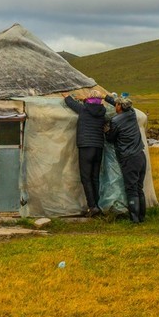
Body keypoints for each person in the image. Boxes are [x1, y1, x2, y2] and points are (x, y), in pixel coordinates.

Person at [64, 94, 109, 217]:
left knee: (86, 178)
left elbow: (69, 101)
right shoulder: (103, 114)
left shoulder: (83, 109)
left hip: (86, 147)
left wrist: (67, 95)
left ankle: (92, 206)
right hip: (98, 147)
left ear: (87, 101)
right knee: (95, 177)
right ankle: (98, 205)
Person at [105, 94, 147, 224]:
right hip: (140, 155)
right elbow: (121, 104)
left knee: (131, 189)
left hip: (129, 158)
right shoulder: (132, 113)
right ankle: (142, 217)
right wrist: (107, 98)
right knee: (139, 188)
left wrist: (106, 131)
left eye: (116, 104)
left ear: (119, 107)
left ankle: (134, 219)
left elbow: (110, 139)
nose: (115, 106)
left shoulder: (115, 121)